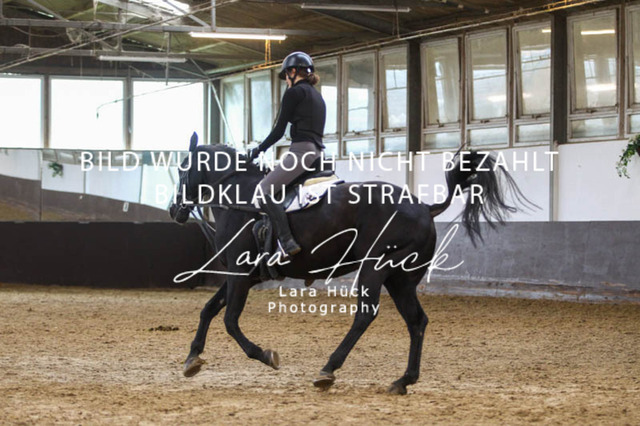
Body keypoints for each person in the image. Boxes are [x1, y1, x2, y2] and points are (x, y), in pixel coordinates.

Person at [246, 51, 326, 257]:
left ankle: (287, 241)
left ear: (292, 71)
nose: (286, 81)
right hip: (318, 154)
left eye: (286, 76)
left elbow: (279, 130)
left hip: (301, 152)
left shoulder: (294, 93)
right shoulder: (317, 95)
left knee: (262, 191)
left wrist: (258, 150)